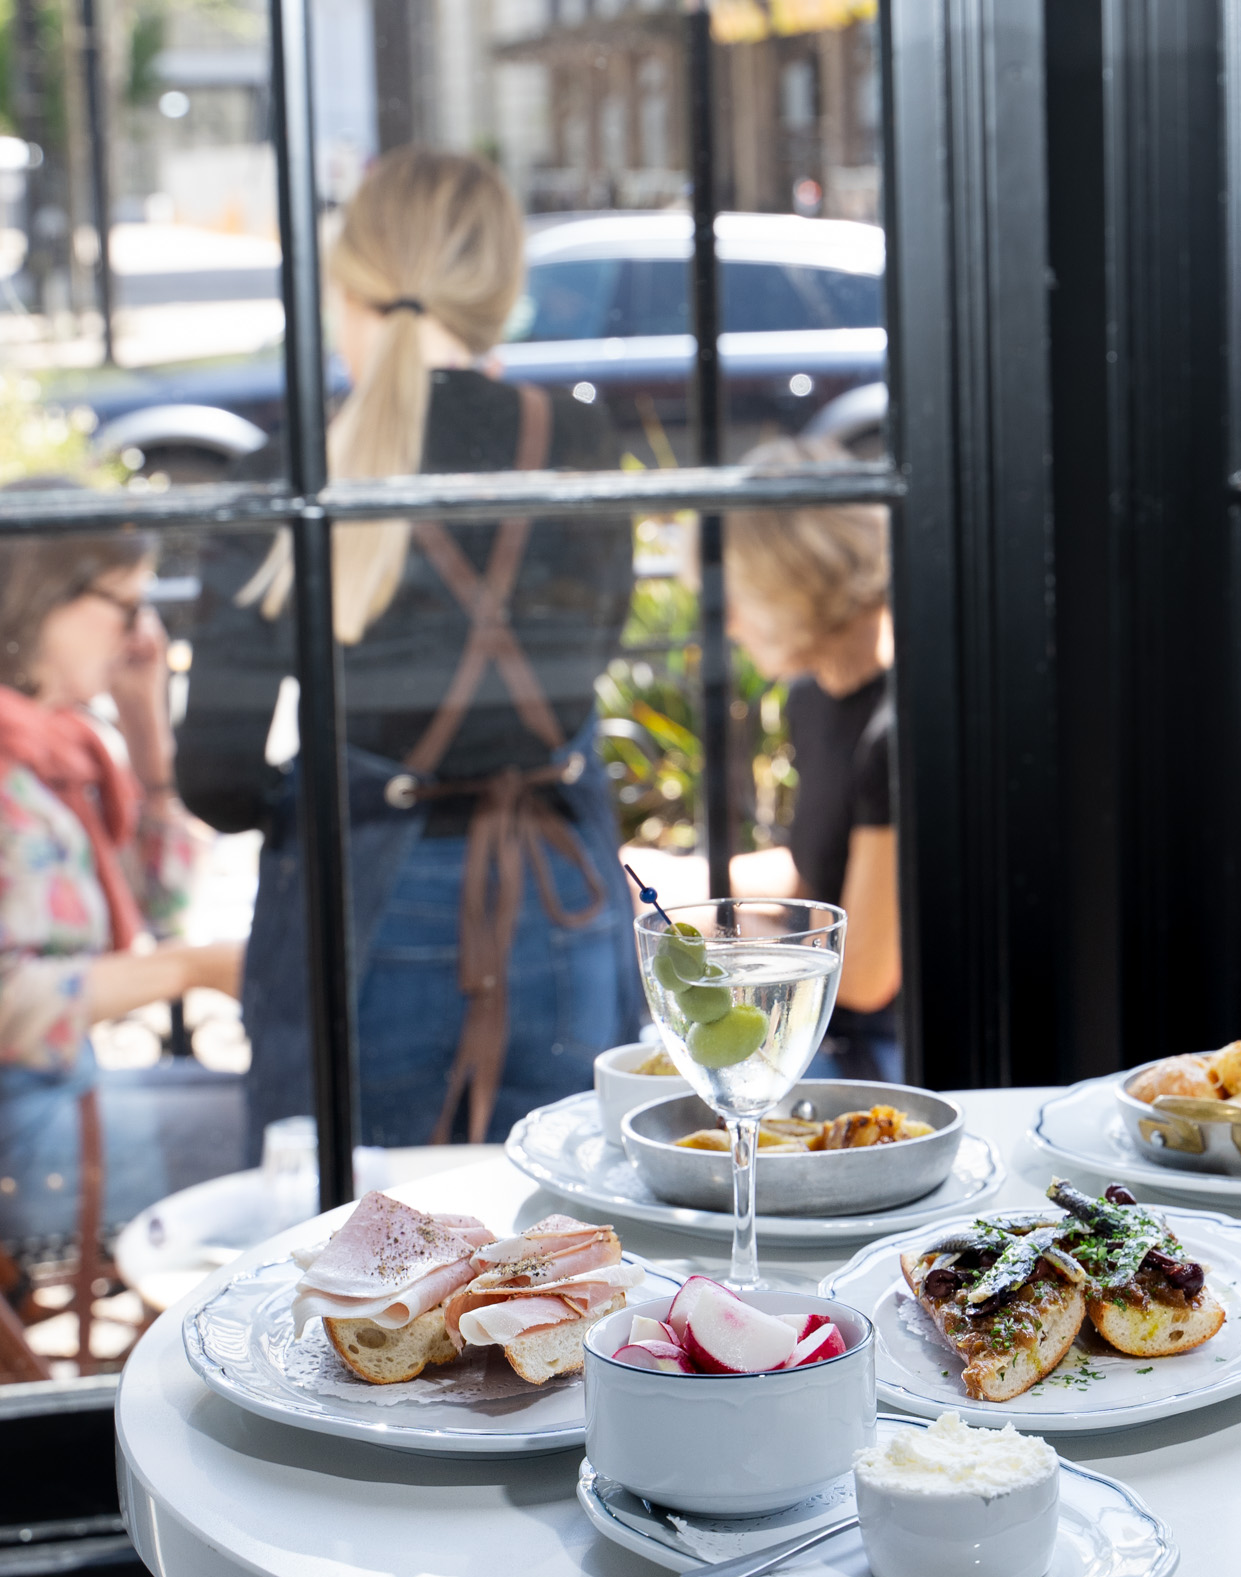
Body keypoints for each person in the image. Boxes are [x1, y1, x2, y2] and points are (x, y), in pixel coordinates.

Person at [177, 148, 642, 1153]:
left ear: (348, 284)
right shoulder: (579, 441)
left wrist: (329, 790)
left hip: (361, 906)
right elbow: (592, 651)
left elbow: (214, 777)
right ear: (501, 290)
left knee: (353, 1224)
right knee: (557, 1214)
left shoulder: (288, 467)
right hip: (559, 899)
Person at [0, 503, 242, 1245]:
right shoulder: (22, 761)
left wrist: (147, 728)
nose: (144, 637)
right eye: (129, 606)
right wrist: (191, 970)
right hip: (21, 1134)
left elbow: (162, 906)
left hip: (60, 1092)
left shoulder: (62, 746)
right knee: (299, 1134)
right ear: (48, 596)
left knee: (295, 1110)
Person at [722, 441, 901, 1082]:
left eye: (735, 597)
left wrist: (713, 944)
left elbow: (864, 977)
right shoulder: (813, 696)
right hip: (831, 1032)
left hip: (884, 1055)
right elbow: (820, 880)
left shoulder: (892, 734)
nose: (728, 624)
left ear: (792, 586)